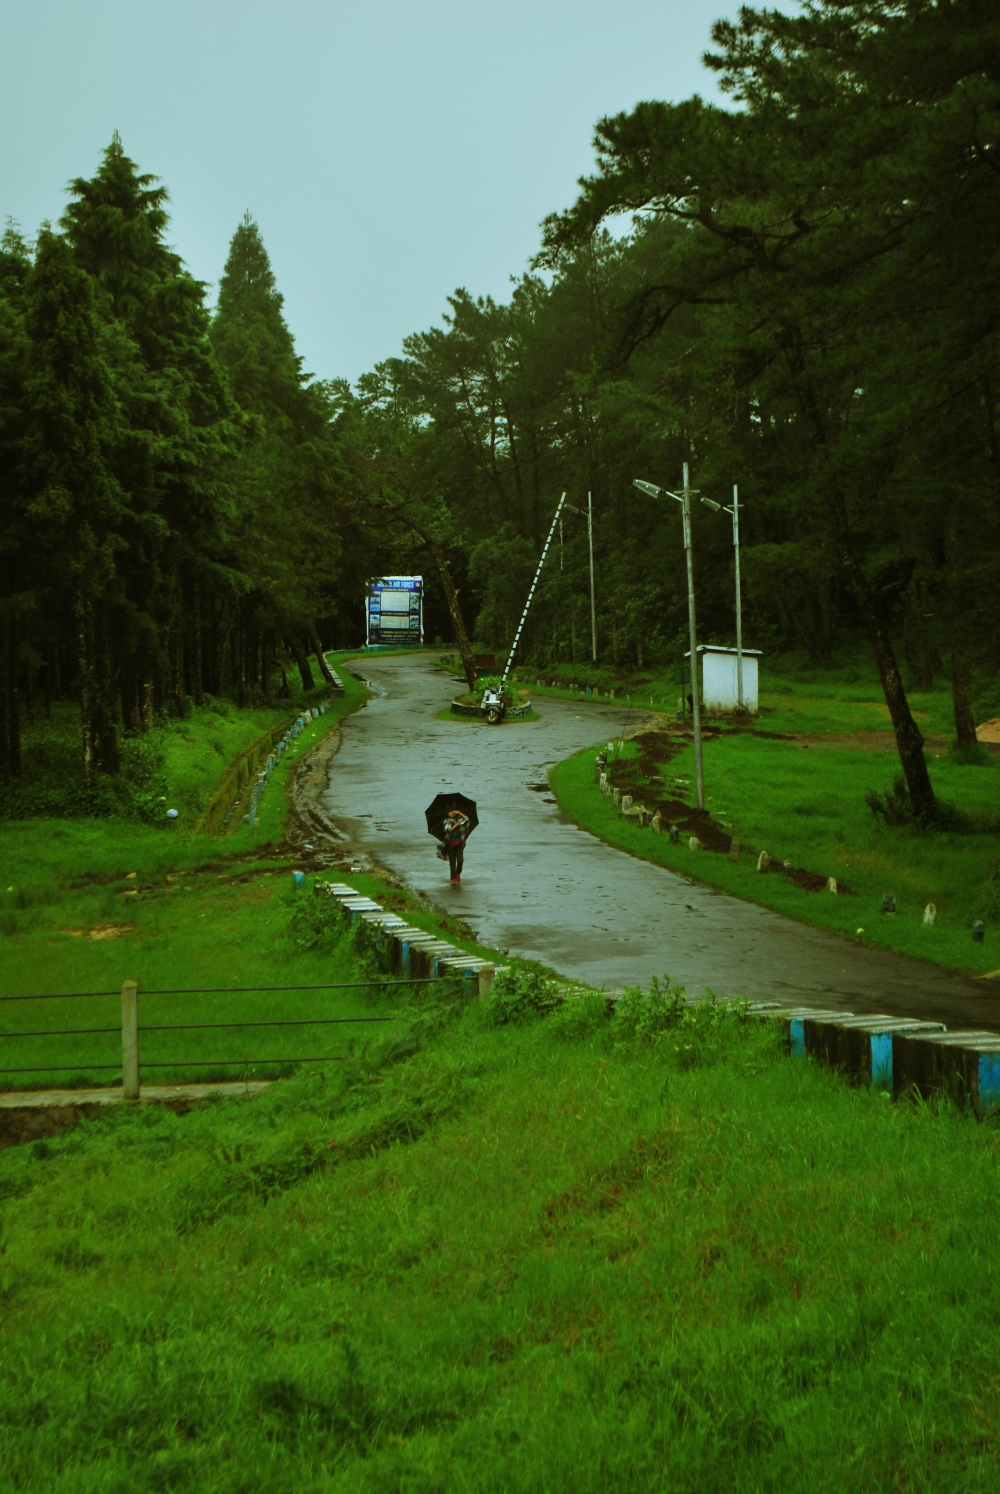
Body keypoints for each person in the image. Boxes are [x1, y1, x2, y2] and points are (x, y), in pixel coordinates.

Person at [441, 805, 470, 884]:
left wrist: (459, 812)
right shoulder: (446, 821)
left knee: (460, 860)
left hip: (459, 844)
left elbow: (467, 820)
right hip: (450, 845)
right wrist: (457, 824)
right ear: (447, 814)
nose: (451, 813)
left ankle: (458, 873)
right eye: (449, 812)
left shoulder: (459, 819)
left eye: (452, 811)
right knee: (452, 862)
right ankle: (452, 878)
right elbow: (448, 830)